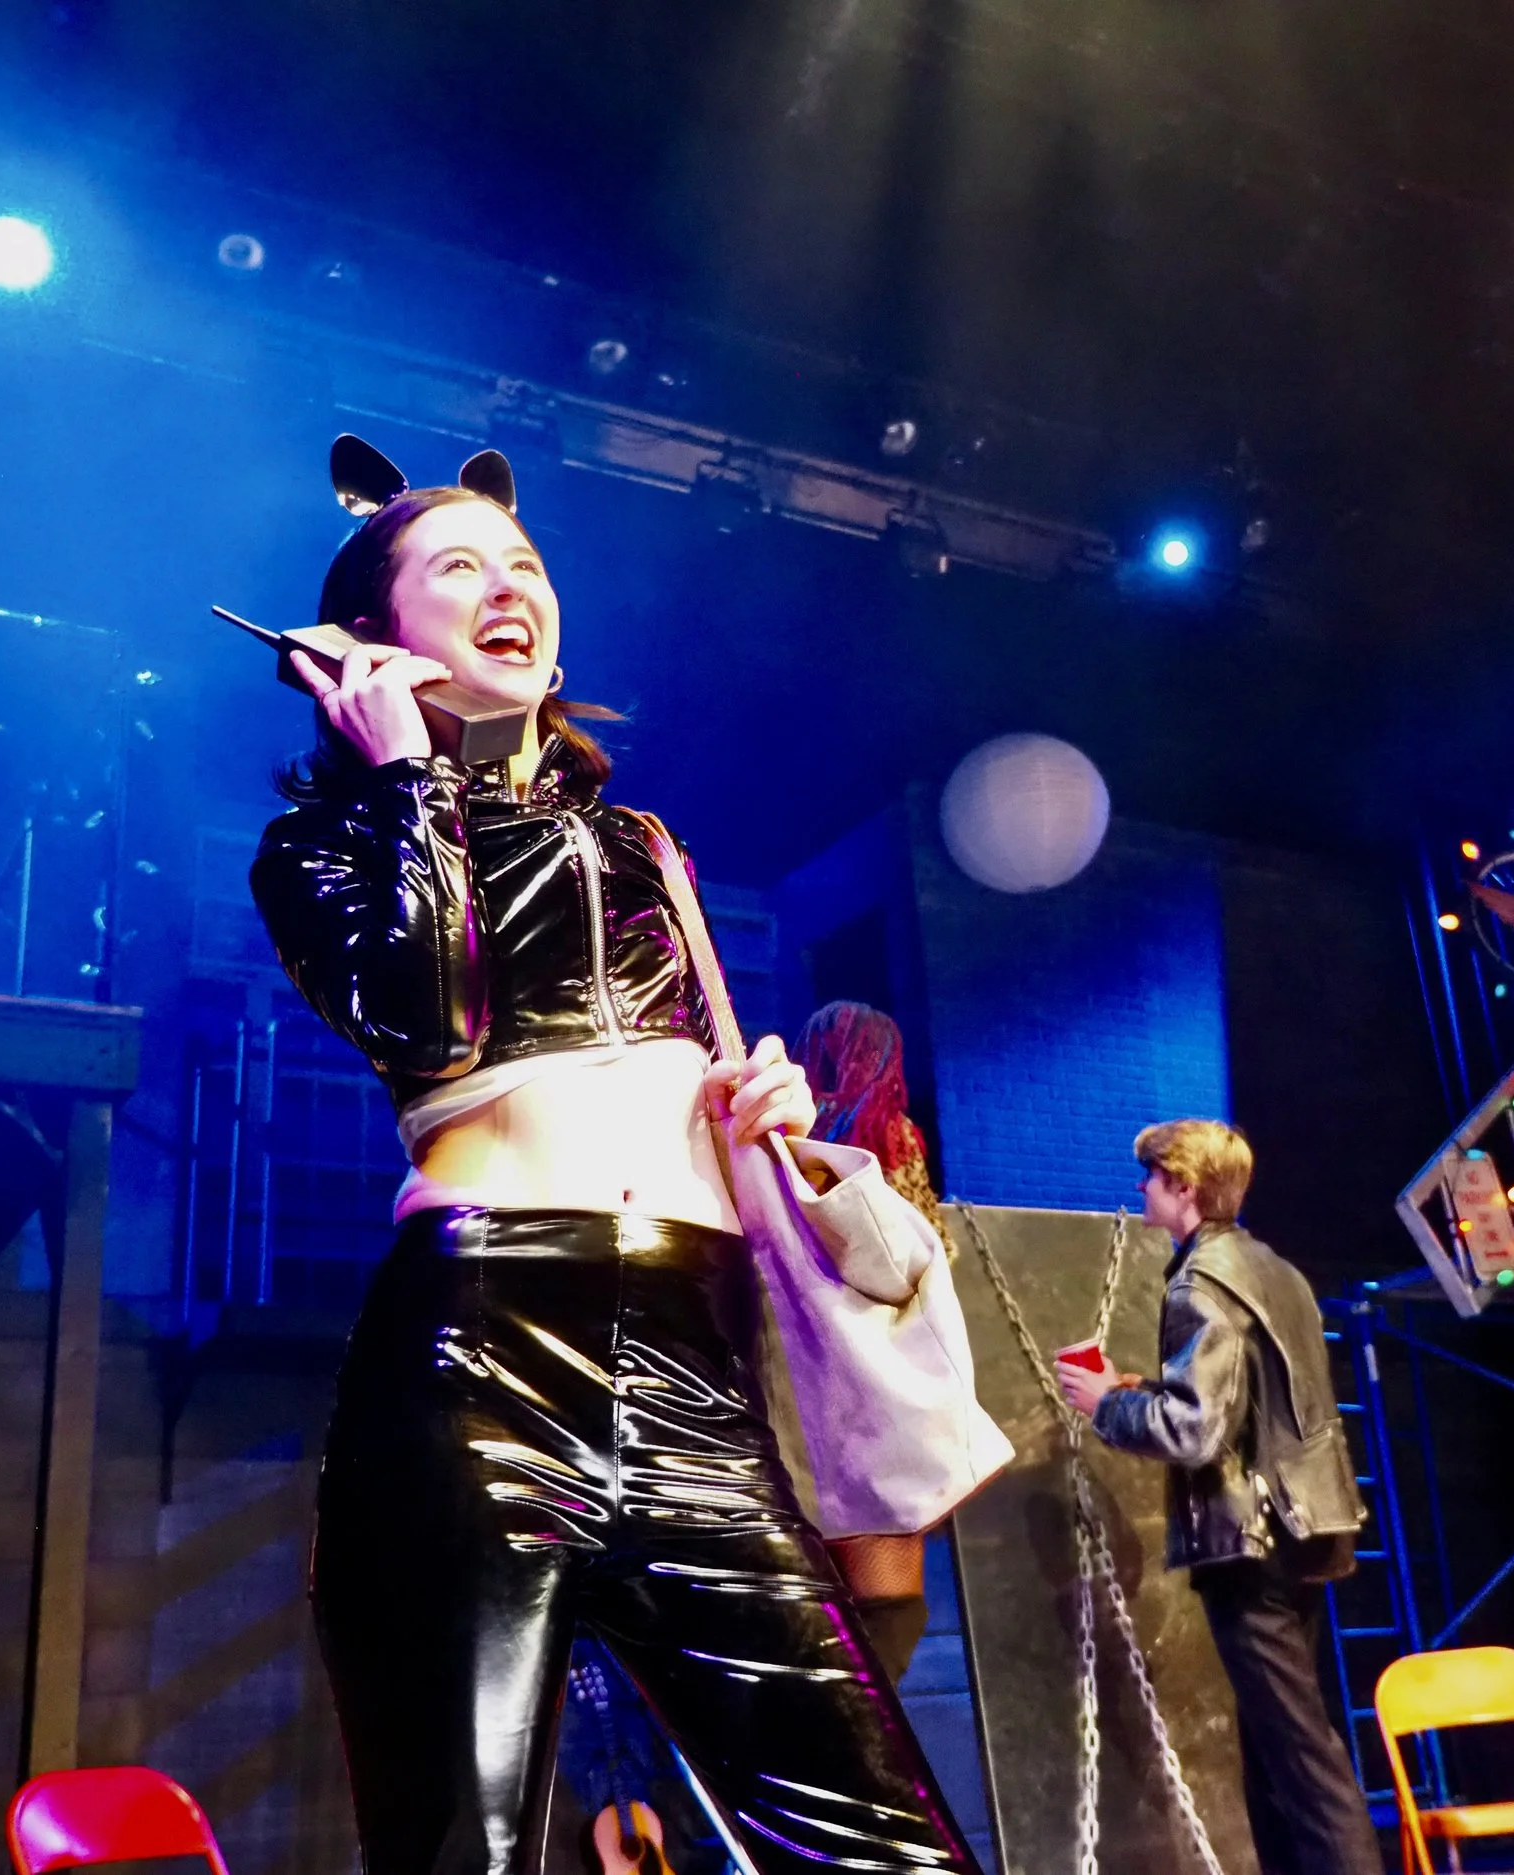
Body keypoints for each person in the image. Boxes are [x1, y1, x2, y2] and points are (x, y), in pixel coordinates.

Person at [251, 438, 982, 1875]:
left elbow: (672, 1057)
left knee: (887, 1845)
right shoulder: (323, 842)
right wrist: (406, 769)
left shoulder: (642, 840)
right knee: (463, 1845)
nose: (509, 586)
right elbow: (432, 1013)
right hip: (479, 1346)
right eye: (456, 566)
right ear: (368, 634)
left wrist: (758, 1094)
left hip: (692, 1362)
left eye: (525, 564)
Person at [1055, 1119, 1382, 1875]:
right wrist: (1147, 1388)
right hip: (1305, 1527)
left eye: (1151, 1177)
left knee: (1302, 1757)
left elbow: (1197, 1429)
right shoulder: (1277, 1269)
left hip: (1252, 1541)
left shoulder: (1201, 1278)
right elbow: (1250, 1406)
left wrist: (1108, 1402)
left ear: (1184, 1186)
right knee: (1279, 1747)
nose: (1141, 1189)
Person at [795, 1001, 940, 1683]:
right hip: (878, 1375)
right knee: (890, 1606)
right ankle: (859, 1745)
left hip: (803, 1378)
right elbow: (922, 1253)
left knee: (823, 1591)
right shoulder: (888, 1130)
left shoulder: (790, 1137)